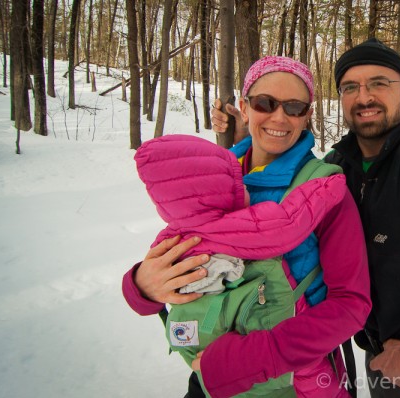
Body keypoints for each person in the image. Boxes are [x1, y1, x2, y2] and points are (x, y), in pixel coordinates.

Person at [212, 39, 400, 397]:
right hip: (378, 360)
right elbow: (269, 207)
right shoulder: (335, 168)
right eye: (350, 87)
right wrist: (246, 136)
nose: (364, 96)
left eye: (379, 83)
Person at [123, 55, 371, 398]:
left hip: (293, 381)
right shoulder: (215, 175)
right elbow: (181, 247)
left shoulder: (323, 188)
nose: (279, 117)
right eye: (264, 103)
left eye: (294, 107)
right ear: (244, 106)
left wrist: (248, 360)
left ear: (308, 114)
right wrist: (141, 285)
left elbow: (351, 305)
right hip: (209, 378)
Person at [133, 133, 348, 296]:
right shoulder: (228, 226)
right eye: (237, 185)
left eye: (294, 107)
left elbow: (152, 263)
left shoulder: (172, 233)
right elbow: (286, 224)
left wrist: (138, 285)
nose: (244, 185)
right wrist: (328, 187)